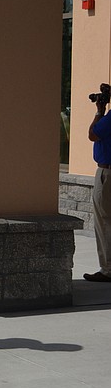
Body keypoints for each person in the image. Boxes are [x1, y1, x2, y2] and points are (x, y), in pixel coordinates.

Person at [85, 88, 111, 282]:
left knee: (104, 221)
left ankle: (108, 269)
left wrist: (98, 111)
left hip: (107, 173)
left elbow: (93, 134)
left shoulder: (109, 119)